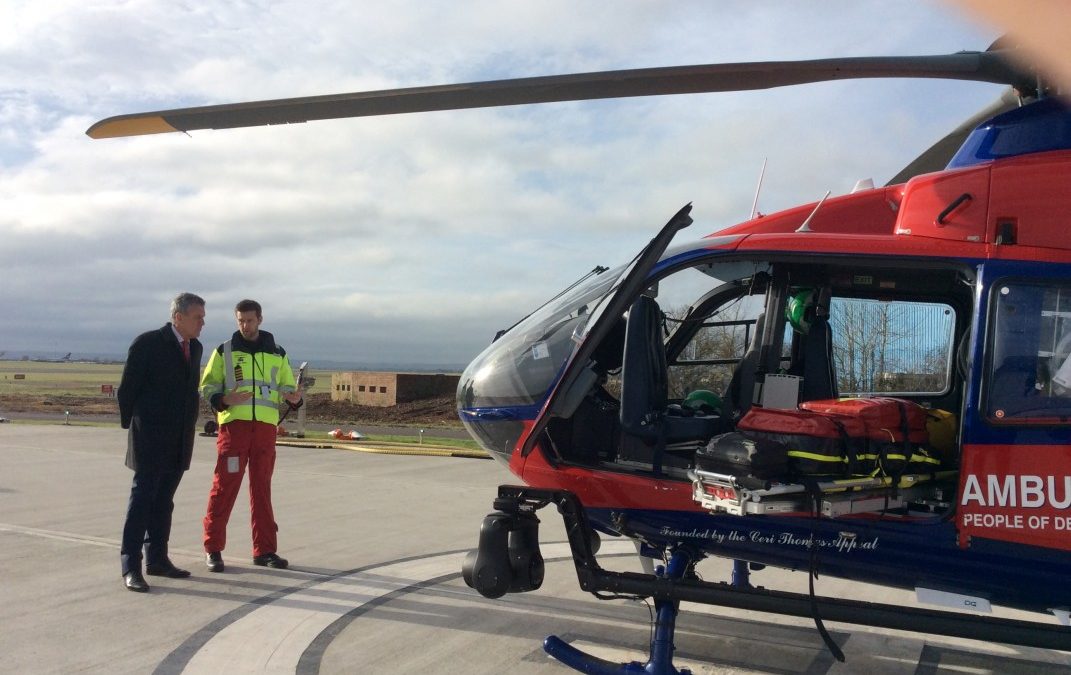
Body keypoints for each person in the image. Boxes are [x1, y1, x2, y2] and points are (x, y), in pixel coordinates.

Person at [200, 299, 302, 572]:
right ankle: (213, 549)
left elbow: (287, 387)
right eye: (241, 321)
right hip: (235, 430)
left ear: (260, 319)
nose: (245, 325)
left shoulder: (278, 353)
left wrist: (294, 398)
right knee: (224, 488)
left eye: (250, 320)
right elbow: (207, 385)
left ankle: (265, 550)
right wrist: (223, 397)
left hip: (265, 433)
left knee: (262, 490)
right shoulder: (224, 352)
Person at [118, 292, 206, 592]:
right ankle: (131, 566)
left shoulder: (194, 348)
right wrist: (134, 428)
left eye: (203, 317)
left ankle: (157, 558)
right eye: (198, 317)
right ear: (177, 317)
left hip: (180, 438)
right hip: (150, 437)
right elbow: (127, 390)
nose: (202, 323)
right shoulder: (148, 344)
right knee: (141, 501)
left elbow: (190, 391)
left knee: (164, 502)